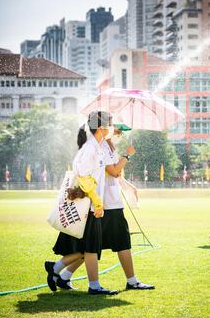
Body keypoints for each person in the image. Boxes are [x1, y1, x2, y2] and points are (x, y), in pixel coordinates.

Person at [44, 111, 118, 295]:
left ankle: (56, 268)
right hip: (88, 206)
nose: (111, 128)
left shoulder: (97, 147)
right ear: (101, 128)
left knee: (89, 248)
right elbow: (84, 177)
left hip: (91, 206)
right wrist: (98, 203)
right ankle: (93, 286)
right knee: (90, 248)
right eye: (109, 125)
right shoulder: (90, 149)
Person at [101, 126, 155, 290]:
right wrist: (128, 154)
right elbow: (114, 171)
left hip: (112, 202)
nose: (119, 135)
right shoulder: (102, 147)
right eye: (117, 132)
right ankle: (59, 269)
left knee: (95, 244)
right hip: (106, 203)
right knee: (112, 243)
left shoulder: (110, 148)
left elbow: (118, 175)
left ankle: (61, 271)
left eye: (120, 133)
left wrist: (129, 186)